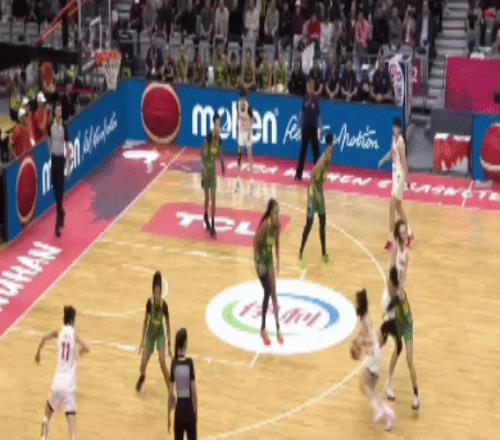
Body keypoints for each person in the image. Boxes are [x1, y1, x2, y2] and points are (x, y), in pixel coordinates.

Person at [35, 305, 90, 440]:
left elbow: (43, 338)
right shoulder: (74, 334)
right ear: (72, 320)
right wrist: (80, 352)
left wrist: (38, 354)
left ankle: (43, 438)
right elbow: (87, 347)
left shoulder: (58, 331)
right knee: (72, 428)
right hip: (69, 386)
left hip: (57, 384)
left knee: (46, 416)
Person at [351, 289, 395, 431]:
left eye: (356, 303)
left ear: (360, 305)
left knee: (363, 384)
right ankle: (389, 414)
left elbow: (371, 339)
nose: (355, 304)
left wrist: (361, 342)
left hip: (374, 355)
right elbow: (362, 334)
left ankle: (379, 409)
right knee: (370, 389)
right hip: (375, 354)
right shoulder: (363, 319)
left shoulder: (366, 320)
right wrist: (356, 342)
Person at [384, 262, 420, 410]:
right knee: (397, 350)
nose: (388, 287)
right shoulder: (394, 291)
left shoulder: (399, 294)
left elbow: (394, 303)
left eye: (389, 285)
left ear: (393, 285)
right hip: (399, 324)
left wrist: (387, 310)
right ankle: (388, 381)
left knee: (409, 360)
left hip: (407, 326)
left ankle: (416, 395)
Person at [298, 133, 334, 268]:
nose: (331, 155)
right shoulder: (322, 161)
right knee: (309, 224)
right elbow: (312, 174)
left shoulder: (328, 160)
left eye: (332, 152)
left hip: (320, 193)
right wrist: (314, 194)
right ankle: (300, 253)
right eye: (329, 152)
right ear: (326, 151)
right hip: (313, 194)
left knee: (323, 223)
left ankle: (324, 255)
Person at [378, 117, 413, 250]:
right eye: (393, 127)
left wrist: (408, 179)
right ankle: (410, 234)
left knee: (391, 205)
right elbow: (391, 154)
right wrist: (383, 160)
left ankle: (390, 239)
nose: (394, 129)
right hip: (394, 175)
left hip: (400, 176)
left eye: (396, 127)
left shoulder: (401, 143)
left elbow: (404, 162)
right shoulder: (393, 139)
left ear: (399, 128)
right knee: (398, 207)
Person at [136, 271, 172, 392]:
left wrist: (169, 345)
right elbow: (145, 322)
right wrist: (142, 341)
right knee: (142, 365)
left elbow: (168, 326)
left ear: (161, 293)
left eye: (159, 293)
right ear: (153, 293)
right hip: (150, 334)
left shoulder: (164, 306)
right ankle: (142, 376)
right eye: (155, 293)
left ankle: (170, 389)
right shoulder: (149, 303)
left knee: (162, 362)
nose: (157, 295)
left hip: (160, 334)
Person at [253, 198, 283, 346]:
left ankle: (278, 328)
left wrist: (278, 261)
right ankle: (263, 328)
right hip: (260, 260)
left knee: (274, 294)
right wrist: (259, 263)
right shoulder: (265, 226)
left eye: (278, 212)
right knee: (267, 291)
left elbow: (276, 244)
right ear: (270, 213)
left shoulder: (278, 225)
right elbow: (255, 242)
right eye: (275, 212)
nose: (277, 215)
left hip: (269, 259)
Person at [168, 328, 198, 440]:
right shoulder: (189, 363)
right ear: (185, 343)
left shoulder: (174, 363)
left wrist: (168, 415)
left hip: (179, 411)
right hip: (189, 410)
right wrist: (196, 412)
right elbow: (194, 392)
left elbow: (170, 393)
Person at [48, 102, 72, 237]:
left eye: (60, 111)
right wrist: (50, 149)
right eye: (57, 110)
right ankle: (61, 211)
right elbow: (47, 136)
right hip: (53, 159)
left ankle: (57, 226)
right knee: (55, 188)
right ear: (54, 112)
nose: (59, 113)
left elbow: (68, 147)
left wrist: (68, 167)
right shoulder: (50, 125)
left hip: (61, 160)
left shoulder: (64, 126)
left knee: (60, 192)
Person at [201, 113, 225, 238]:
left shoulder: (219, 139)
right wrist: (204, 168)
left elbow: (219, 152)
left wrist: (223, 164)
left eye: (219, 125)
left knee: (214, 198)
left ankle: (213, 226)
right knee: (207, 199)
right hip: (206, 171)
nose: (218, 127)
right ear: (213, 125)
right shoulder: (209, 136)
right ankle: (205, 215)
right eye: (216, 124)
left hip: (213, 172)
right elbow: (202, 153)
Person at [295, 79, 322, 181]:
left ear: (313, 87)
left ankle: (318, 175)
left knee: (316, 152)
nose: (310, 88)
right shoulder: (305, 98)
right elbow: (301, 113)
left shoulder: (316, 99)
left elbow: (319, 115)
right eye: (309, 86)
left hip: (313, 128)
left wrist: (320, 128)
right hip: (305, 127)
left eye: (312, 87)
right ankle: (298, 175)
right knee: (303, 151)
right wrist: (298, 126)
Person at [235, 87, 254, 194]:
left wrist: (250, 133)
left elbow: (252, 120)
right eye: (241, 99)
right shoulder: (237, 105)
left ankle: (252, 179)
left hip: (247, 133)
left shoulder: (249, 107)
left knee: (249, 155)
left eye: (243, 99)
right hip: (241, 133)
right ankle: (238, 177)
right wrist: (237, 131)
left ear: (246, 98)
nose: (242, 100)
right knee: (239, 155)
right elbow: (237, 118)